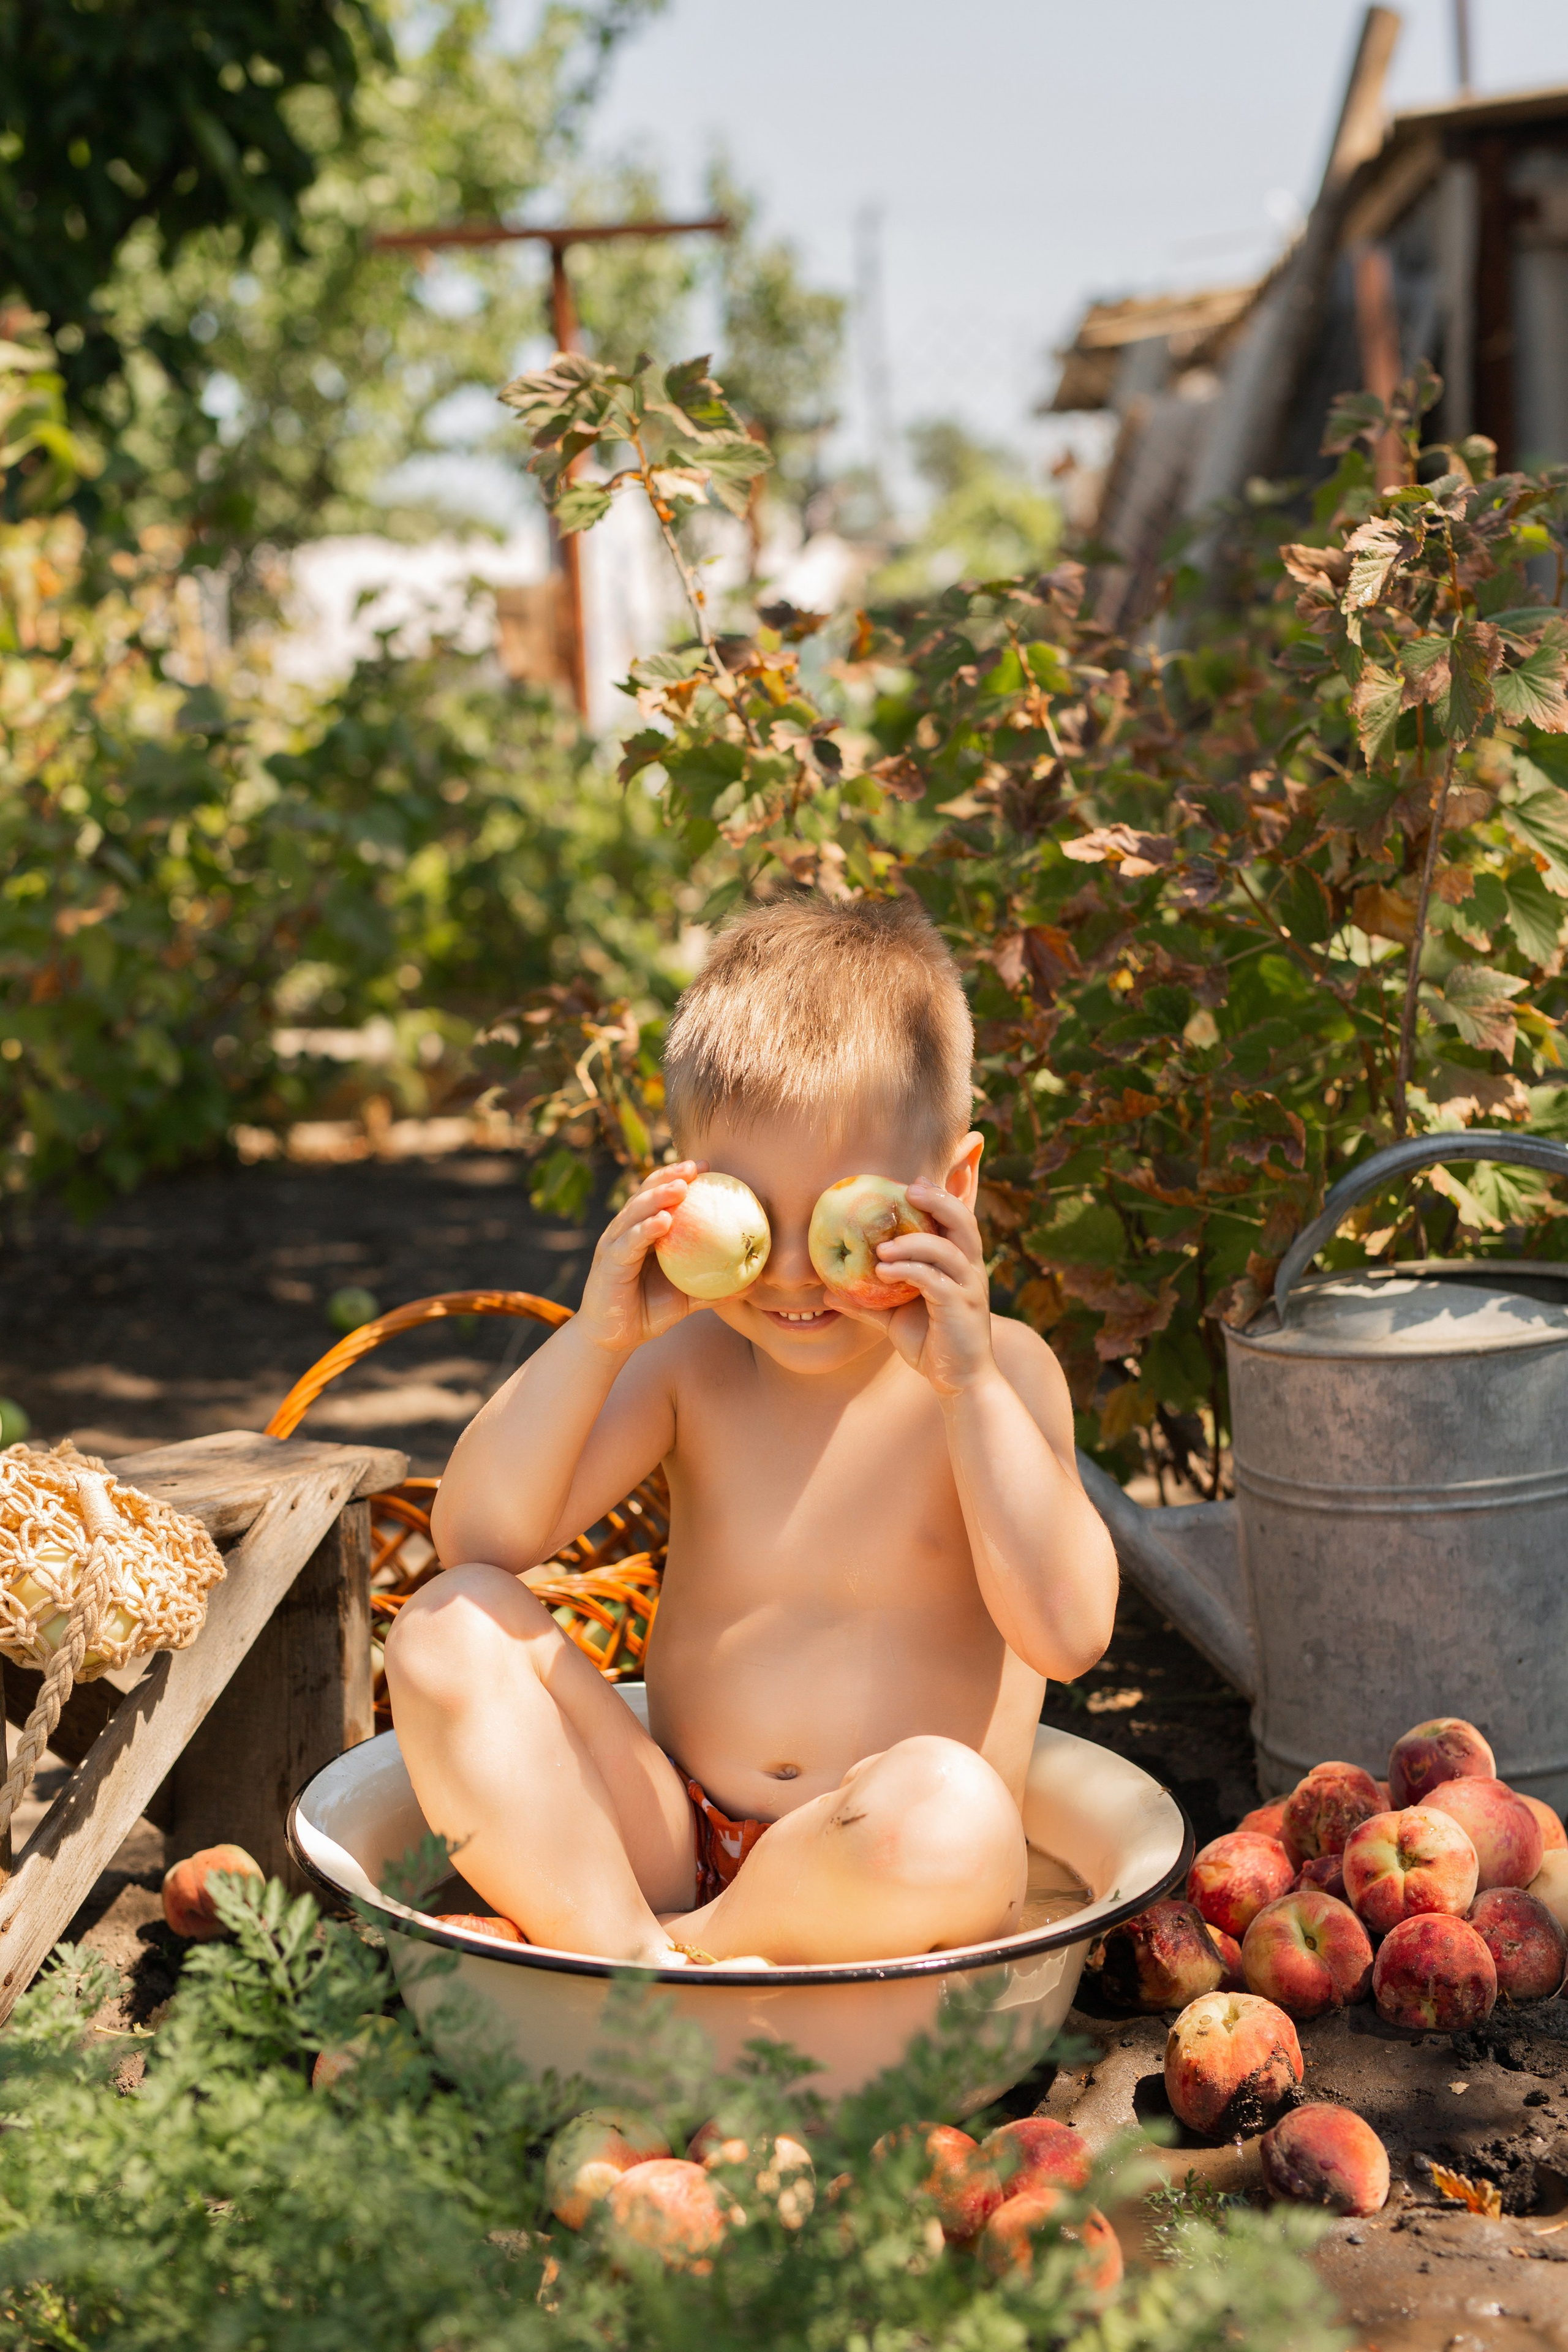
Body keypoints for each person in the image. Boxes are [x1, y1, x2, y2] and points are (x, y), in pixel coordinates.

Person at [385, 896, 1118, 1967]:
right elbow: (480, 1543)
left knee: (951, 1809)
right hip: (672, 1844)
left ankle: (658, 1965)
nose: (783, 1273)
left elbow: (1069, 1633)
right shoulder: (689, 1362)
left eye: (838, 1220)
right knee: (446, 1626)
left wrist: (966, 1387)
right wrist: (597, 1340)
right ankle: (634, 1954)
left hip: (881, 1868)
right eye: (747, 1213)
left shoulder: (998, 1373)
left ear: (950, 1189)